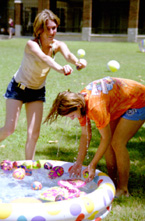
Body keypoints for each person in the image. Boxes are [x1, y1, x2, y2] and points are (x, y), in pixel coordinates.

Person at [0, 9, 87, 160]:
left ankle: (29, 168)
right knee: (9, 129)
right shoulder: (31, 45)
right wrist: (60, 69)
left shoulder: (58, 45)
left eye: (54, 28)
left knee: (34, 133)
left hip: (36, 91)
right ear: (39, 29)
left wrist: (77, 62)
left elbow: (68, 55)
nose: (52, 32)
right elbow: (44, 59)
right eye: (48, 28)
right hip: (18, 88)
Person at [44, 76, 145, 197]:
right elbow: (85, 135)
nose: (72, 118)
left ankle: (123, 190)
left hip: (139, 100)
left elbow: (105, 138)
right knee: (108, 145)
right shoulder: (80, 101)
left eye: (71, 115)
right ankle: (112, 181)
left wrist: (92, 165)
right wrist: (79, 163)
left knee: (117, 143)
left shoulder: (94, 108)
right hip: (117, 101)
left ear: (78, 107)